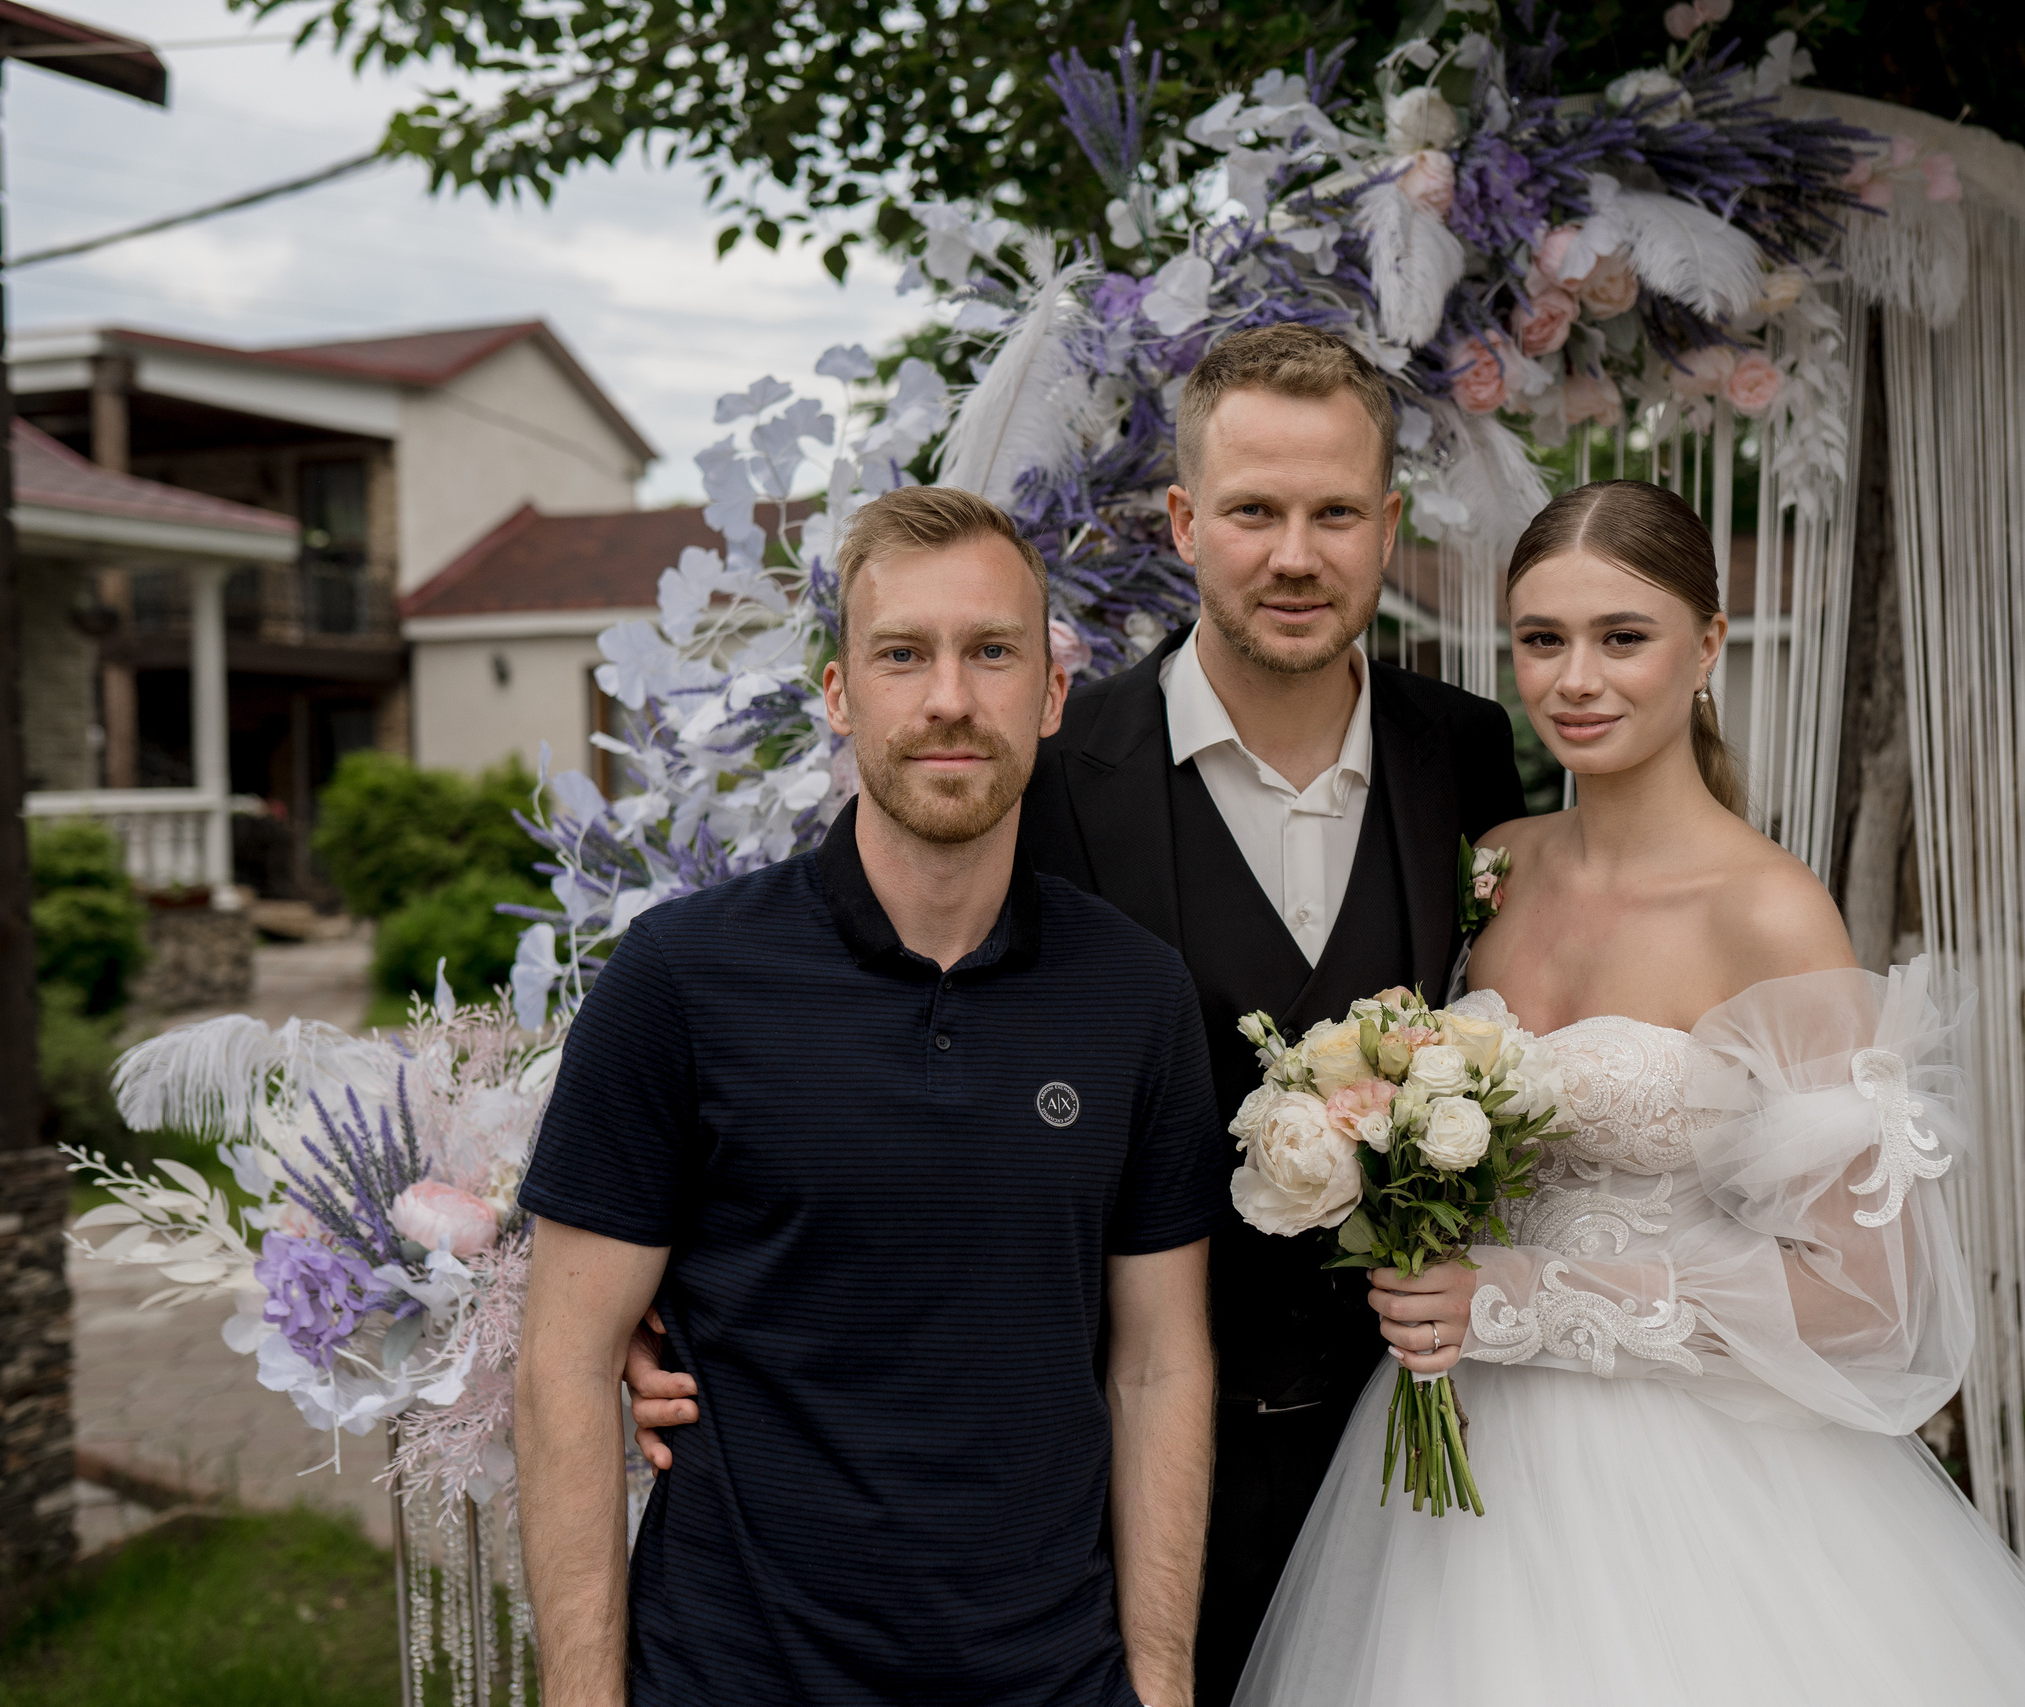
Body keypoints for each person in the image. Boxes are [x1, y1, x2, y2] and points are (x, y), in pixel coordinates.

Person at [622, 323, 1527, 1704]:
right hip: (1103, 1491)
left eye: (1336, 511)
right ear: (1181, 521)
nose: (1296, 554)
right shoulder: (1035, 757)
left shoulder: (1462, 752)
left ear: (1388, 522)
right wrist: (655, 1298)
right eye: (1252, 510)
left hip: (1402, 1458)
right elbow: (832, 1039)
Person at [1232, 480, 2025, 1704]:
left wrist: (1534, 1297)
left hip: (1685, 1487)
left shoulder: (1769, 912)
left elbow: (1868, 1298)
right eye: (1542, 640)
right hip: (1449, 1468)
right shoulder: (1493, 867)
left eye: (1622, 637)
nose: (1574, 680)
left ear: (1705, 646)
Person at [514, 485, 1227, 1707]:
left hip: (1047, 1680)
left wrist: (1157, 1686)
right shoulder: (681, 981)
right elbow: (566, 1364)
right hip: (735, 1676)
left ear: (1052, 696)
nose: (949, 698)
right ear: (841, 697)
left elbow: (1161, 1367)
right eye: (903, 655)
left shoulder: (1137, 996)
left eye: (992, 651)